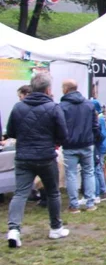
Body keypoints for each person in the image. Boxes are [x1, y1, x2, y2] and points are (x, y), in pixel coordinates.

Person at [6, 73, 68, 248]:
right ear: (48, 89)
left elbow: (11, 132)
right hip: (46, 156)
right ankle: (55, 227)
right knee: (53, 192)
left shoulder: (18, 107)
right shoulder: (54, 107)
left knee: (20, 193)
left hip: (23, 156)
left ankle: (14, 230)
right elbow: (63, 134)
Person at [59, 80, 98, 213]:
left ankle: (74, 205)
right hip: (87, 144)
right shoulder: (89, 104)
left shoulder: (62, 106)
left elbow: (60, 127)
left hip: (70, 146)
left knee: (71, 174)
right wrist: (94, 139)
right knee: (89, 172)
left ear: (65, 89)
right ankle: (90, 203)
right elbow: (95, 125)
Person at [91, 99, 106, 202]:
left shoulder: (98, 118)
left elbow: (101, 135)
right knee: (99, 168)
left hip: (100, 147)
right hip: (101, 146)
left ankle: (102, 191)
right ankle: (104, 190)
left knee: (97, 169)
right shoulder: (100, 118)